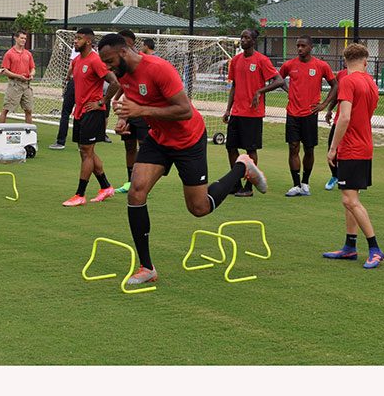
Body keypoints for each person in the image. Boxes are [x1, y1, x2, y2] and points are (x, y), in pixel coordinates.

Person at [97, 33, 268, 285]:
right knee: (136, 192)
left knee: (199, 208)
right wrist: (125, 117)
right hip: (158, 139)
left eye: (109, 60)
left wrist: (141, 111)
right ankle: (147, 268)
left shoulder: (158, 69)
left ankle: (242, 166)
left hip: (189, 139)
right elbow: (131, 96)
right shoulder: (123, 74)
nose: (108, 67)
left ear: (124, 52)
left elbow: (185, 110)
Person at [323, 43, 384, 269]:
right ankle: (350, 247)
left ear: (344, 61)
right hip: (365, 145)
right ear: (366, 61)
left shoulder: (348, 81)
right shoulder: (370, 82)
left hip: (352, 147)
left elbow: (345, 117)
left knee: (349, 200)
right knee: (350, 198)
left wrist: (333, 148)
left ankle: (375, 249)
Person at [62, 28, 121, 207]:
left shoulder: (96, 60)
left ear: (88, 41)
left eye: (78, 38)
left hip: (93, 112)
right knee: (85, 150)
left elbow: (115, 82)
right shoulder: (78, 60)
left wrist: (102, 102)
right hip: (80, 111)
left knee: (86, 152)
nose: (75, 41)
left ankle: (80, 194)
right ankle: (105, 187)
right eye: (75, 37)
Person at [222, 29, 284, 197]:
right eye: (241, 37)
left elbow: (279, 81)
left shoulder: (262, 60)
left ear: (253, 41)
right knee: (231, 147)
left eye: (246, 37)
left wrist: (259, 92)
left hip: (253, 114)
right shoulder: (235, 61)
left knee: (251, 150)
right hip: (237, 112)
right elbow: (234, 85)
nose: (243, 40)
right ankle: (235, 183)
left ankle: (248, 186)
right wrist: (228, 109)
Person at [279, 36, 338, 197]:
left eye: (303, 46)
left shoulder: (321, 65)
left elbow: (335, 85)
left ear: (310, 47)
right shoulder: (289, 65)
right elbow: (278, 78)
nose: (299, 49)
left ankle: (305, 183)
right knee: (293, 147)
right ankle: (296, 184)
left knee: (309, 149)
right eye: (298, 45)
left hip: (310, 114)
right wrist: (288, 90)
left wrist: (324, 104)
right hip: (292, 113)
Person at [112, 29, 150, 194]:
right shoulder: (122, 65)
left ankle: (143, 181)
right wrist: (116, 98)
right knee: (129, 146)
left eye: (124, 42)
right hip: (128, 110)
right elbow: (124, 83)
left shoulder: (142, 61)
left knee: (144, 147)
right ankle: (130, 181)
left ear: (132, 43)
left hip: (143, 112)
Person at [0, 30, 35, 124]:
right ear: (16, 38)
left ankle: (29, 133)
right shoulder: (9, 53)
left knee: (28, 110)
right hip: (15, 84)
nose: (23, 40)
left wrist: (31, 74)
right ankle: (0, 131)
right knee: (6, 109)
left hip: (26, 85)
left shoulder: (28, 54)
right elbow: (5, 70)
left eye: (25, 38)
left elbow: (33, 68)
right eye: (21, 38)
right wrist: (18, 76)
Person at [49, 43, 80, 150]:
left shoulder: (77, 51)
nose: (76, 41)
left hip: (75, 82)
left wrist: (67, 78)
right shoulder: (93, 54)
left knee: (66, 112)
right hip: (82, 84)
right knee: (78, 113)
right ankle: (81, 143)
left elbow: (71, 67)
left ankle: (61, 142)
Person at [323, 66, 348, 190]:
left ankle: (350, 178)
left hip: (354, 123)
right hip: (339, 120)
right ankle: (335, 176)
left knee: (350, 151)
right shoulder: (341, 75)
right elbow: (337, 95)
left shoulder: (364, 77)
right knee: (331, 149)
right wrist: (329, 110)